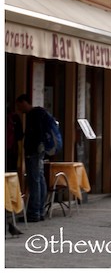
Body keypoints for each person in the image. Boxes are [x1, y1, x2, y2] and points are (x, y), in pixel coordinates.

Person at [15, 95, 51, 223]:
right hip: (39, 152)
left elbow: (36, 133)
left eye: (19, 105)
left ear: (24, 102)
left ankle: (34, 212)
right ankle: (39, 210)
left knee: (34, 181)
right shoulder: (39, 113)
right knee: (40, 180)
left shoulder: (33, 115)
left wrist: (33, 148)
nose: (18, 108)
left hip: (34, 152)